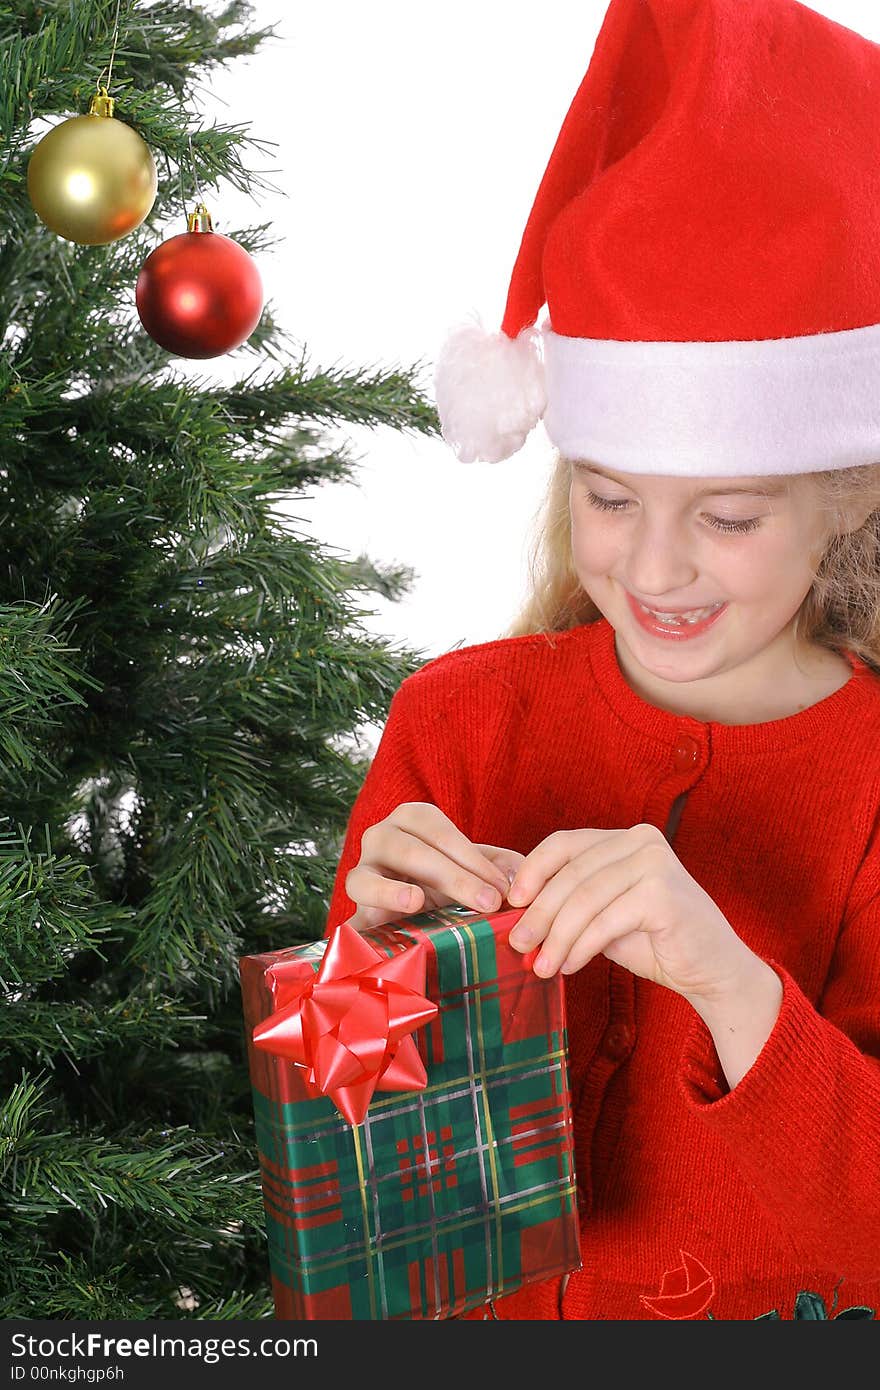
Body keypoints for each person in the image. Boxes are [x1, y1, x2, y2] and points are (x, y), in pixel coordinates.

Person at [323, 0, 880, 1320]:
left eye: (730, 516)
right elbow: (383, 1216)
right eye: (614, 496)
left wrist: (723, 976)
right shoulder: (458, 721)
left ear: (848, 502)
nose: (654, 567)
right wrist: (383, 971)